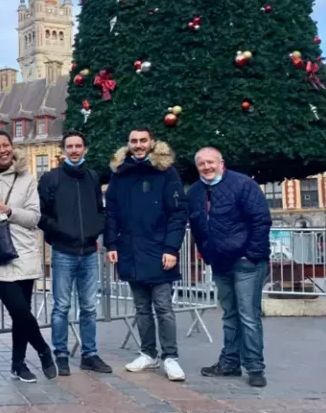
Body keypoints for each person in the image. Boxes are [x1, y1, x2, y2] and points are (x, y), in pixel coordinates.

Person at [0, 131, 57, 383]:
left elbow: (34, 218)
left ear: (12, 147)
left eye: (5, 145)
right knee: (19, 310)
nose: (2, 150)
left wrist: (5, 209)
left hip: (24, 251)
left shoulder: (26, 178)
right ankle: (43, 350)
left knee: (22, 313)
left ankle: (18, 364)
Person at [105, 128, 188, 382]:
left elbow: (178, 213)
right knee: (141, 308)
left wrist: (171, 248)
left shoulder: (166, 171)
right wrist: (111, 244)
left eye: (143, 140)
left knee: (163, 307)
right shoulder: (120, 173)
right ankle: (148, 353)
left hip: (159, 249)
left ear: (151, 143)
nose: (138, 145)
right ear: (128, 144)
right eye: (134, 141)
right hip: (130, 249)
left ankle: (170, 356)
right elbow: (112, 212)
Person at [187, 147, 272, 388]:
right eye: (202, 163)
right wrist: (207, 253)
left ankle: (255, 367)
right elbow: (196, 225)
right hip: (220, 261)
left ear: (221, 163)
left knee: (248, 315)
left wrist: (251, 254)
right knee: (230, 314)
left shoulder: (243, 184)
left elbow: (260, 220)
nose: (207, 167)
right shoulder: (195, 191)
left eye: (211, 162)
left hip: (247, 262)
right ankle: (230, 362)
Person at [38, 131, 111, 376]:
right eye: (69, 146)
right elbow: (42, 215)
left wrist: (96, 229)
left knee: (89, 307)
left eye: (78, 146)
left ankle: (89, 354)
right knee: (61, 306)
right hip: (63, 251)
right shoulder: (51, 178)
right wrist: (61, 231)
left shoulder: (91, 176)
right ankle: (61, 353)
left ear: (85, 149)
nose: (74, 150)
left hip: (88, 251)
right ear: (63, 150)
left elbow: (100, 209)